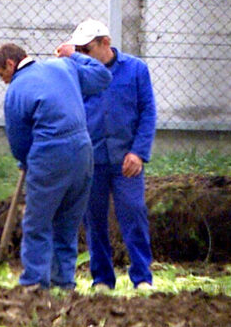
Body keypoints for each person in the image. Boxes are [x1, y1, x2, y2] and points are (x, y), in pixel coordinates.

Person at [0, 41, 112, 290]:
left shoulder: (16, 90)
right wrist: (75, 56)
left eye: (1, 74)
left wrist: (25, 163)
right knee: (68, 223)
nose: (3, 81)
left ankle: (35, 282)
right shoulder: (64, 67)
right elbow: (102, 76)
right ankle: (64, 282)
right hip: (83, 151)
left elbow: (18, 138)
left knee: (38, 222)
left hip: (49, 155)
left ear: (11, 64)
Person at [56, 18, 157, 291]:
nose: (82, 56)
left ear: (105, 43)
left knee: (133, 213)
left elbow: (147, 112)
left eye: (86, 50)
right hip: (92, 159)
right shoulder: (76, 73)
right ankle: (102, 279)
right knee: (93, 220)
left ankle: (142, 278)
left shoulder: (136, 70)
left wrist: (138, 152)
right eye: (79, 51)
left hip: (127, 160)